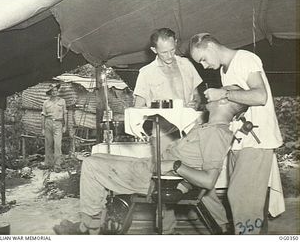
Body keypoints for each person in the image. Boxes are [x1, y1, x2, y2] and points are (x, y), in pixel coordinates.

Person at [76, 87, 247, 235]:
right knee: (98, 157)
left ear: (224, 101)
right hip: (155, 169)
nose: (210, 92)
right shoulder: (209, 127)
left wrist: (175, 165)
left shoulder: (215, 133)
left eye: (222, 90)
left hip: (160, 178)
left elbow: (209, 180)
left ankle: (90, 227)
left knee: (91, 164)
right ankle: (92, 221)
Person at [189, 33, 283, 234]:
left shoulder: (245, 59)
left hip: (257, 141)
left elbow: (260, 96)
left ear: (212, 46)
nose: (204, 66)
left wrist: (223, 93)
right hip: (240, 140)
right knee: (245, 199)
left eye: (203, 59)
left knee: (241, 197)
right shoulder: (225, 70)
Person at [133, 28, 203, 233]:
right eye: (164, 52)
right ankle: (167, 231)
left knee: (201, 172)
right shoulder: (146, 73)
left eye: (173, 50)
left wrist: (195, 103)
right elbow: (138, 106)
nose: (170, 56)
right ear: (154, 49)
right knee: (165, 182)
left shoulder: (186, 64)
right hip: (163, 133)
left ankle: (222, 226)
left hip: (190, 130)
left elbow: (197, 97)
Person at [41, 83, 68, 181]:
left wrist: (65, 125)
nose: (55, 92)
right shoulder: (46, 103)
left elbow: (65, 113)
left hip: (58, 124)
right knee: (48, 144)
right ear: (50, 93)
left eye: (56, 91)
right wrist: (43, 128)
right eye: (53, 91)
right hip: (48, 123)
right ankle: (48, 164)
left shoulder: (62, 101)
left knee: (57, 144)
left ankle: (57, 166)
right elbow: (43, 116)